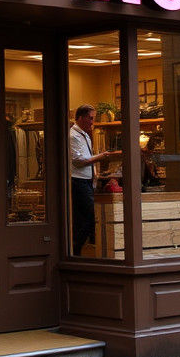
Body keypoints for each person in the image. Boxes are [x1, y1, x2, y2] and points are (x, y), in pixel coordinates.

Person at [68, 104, 119, 256]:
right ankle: (77, 248)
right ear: (81, 118)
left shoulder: (85, 135)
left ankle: (77, 251)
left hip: (87, 181)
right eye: (90, 118)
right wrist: (101, 157)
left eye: (93, 119)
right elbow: (78, 161)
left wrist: (96, 175)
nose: (92, 122)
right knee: (91, 216)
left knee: (83, 218)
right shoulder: (73, 136)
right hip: (78, 181)